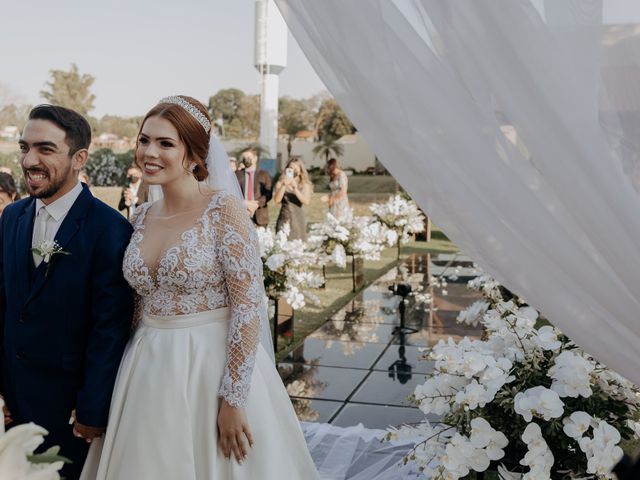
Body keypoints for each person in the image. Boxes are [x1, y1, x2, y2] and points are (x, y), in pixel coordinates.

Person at [81, 96, 319, 479]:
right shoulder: (141, 216)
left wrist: (233, 399)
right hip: (145, 368)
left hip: (211, 368)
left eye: (165, 143)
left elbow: (247, 306)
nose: (149, 153)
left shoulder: (224, 209)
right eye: (144, 140)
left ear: (193, 155)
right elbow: (138, 304)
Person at [0, 105, 134, 479]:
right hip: (11, 409)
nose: (29, 160)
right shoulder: (12, 217)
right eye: (25, 147)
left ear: (79, 158)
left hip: (70, 416)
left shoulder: (110, 230)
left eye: (45, 149)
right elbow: (4, 305)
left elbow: (109, 327)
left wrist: (92, 410)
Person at [274, 158, 312, 240]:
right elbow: (277, 200)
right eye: (291, 168)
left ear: (300, 171)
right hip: (284, 217)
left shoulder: (304, 184)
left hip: (298, 218)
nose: (293, 170)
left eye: (295, 168)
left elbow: (306, 201)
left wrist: (295, 189)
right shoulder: (280, 182)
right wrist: (284, 185)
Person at [235, 149, 272, 227]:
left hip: (259, 215)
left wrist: (256, 204)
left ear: (255, 158)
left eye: (248, 157)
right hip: (241, 214)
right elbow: (233, 191)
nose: (246, 159)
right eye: (244, 157)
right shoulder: (237, 174)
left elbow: (268, 193)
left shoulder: (264, 174)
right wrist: (245, 203)